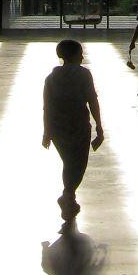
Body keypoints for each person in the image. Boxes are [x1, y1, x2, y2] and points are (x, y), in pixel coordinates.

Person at [43, 40, 105, 230]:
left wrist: (47, 131)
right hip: (79, 125)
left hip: (58, 127)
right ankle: (67, 195)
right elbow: (92, 100)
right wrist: (99, 126)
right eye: (81, 53)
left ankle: (69, 197)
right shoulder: (83, 74)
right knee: (78, 164)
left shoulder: (50, 78)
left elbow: (47, 106)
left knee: (69, 163)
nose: (83, 57)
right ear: (75, 55)